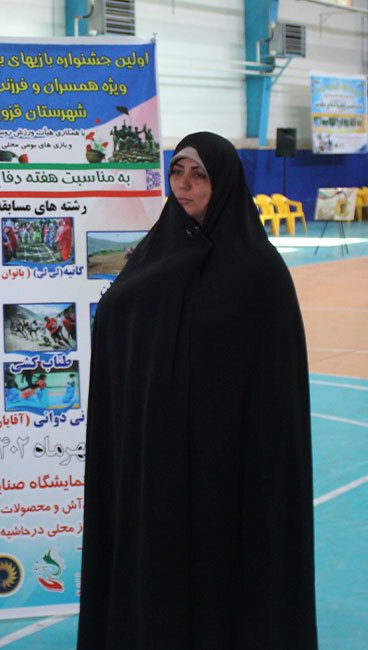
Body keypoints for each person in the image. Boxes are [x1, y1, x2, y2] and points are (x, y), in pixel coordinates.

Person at [77, 132, 317, 648]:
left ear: (223, 183)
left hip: (228, 468)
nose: (184, 185)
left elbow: (275, 391)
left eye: (199, 175)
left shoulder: (260, 272)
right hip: (159, 460)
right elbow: (119, 323)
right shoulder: (154, 256)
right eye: (177, 171)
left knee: (221, 573)